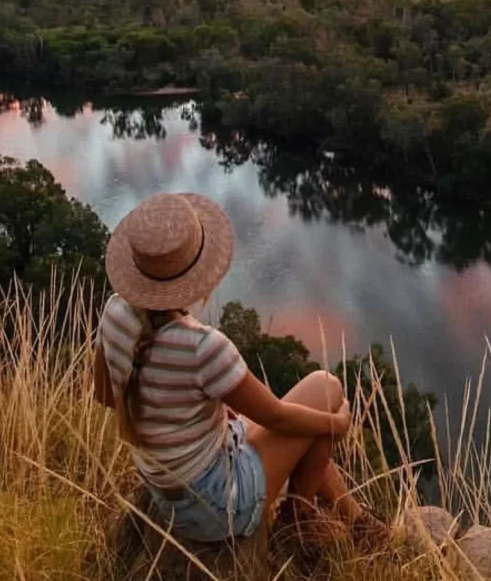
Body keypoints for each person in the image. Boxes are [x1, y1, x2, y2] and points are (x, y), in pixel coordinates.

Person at [92, 191, 384, 546]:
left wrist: (190, 420)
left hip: (165, 487)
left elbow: (106, 396)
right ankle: (296, 524)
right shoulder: (203, 347)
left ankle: (357, 521)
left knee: (299, 423)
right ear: (199, 275)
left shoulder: (115, 312)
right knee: (327, 391)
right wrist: (337, 424)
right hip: (215, 503)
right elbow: (277, 417)